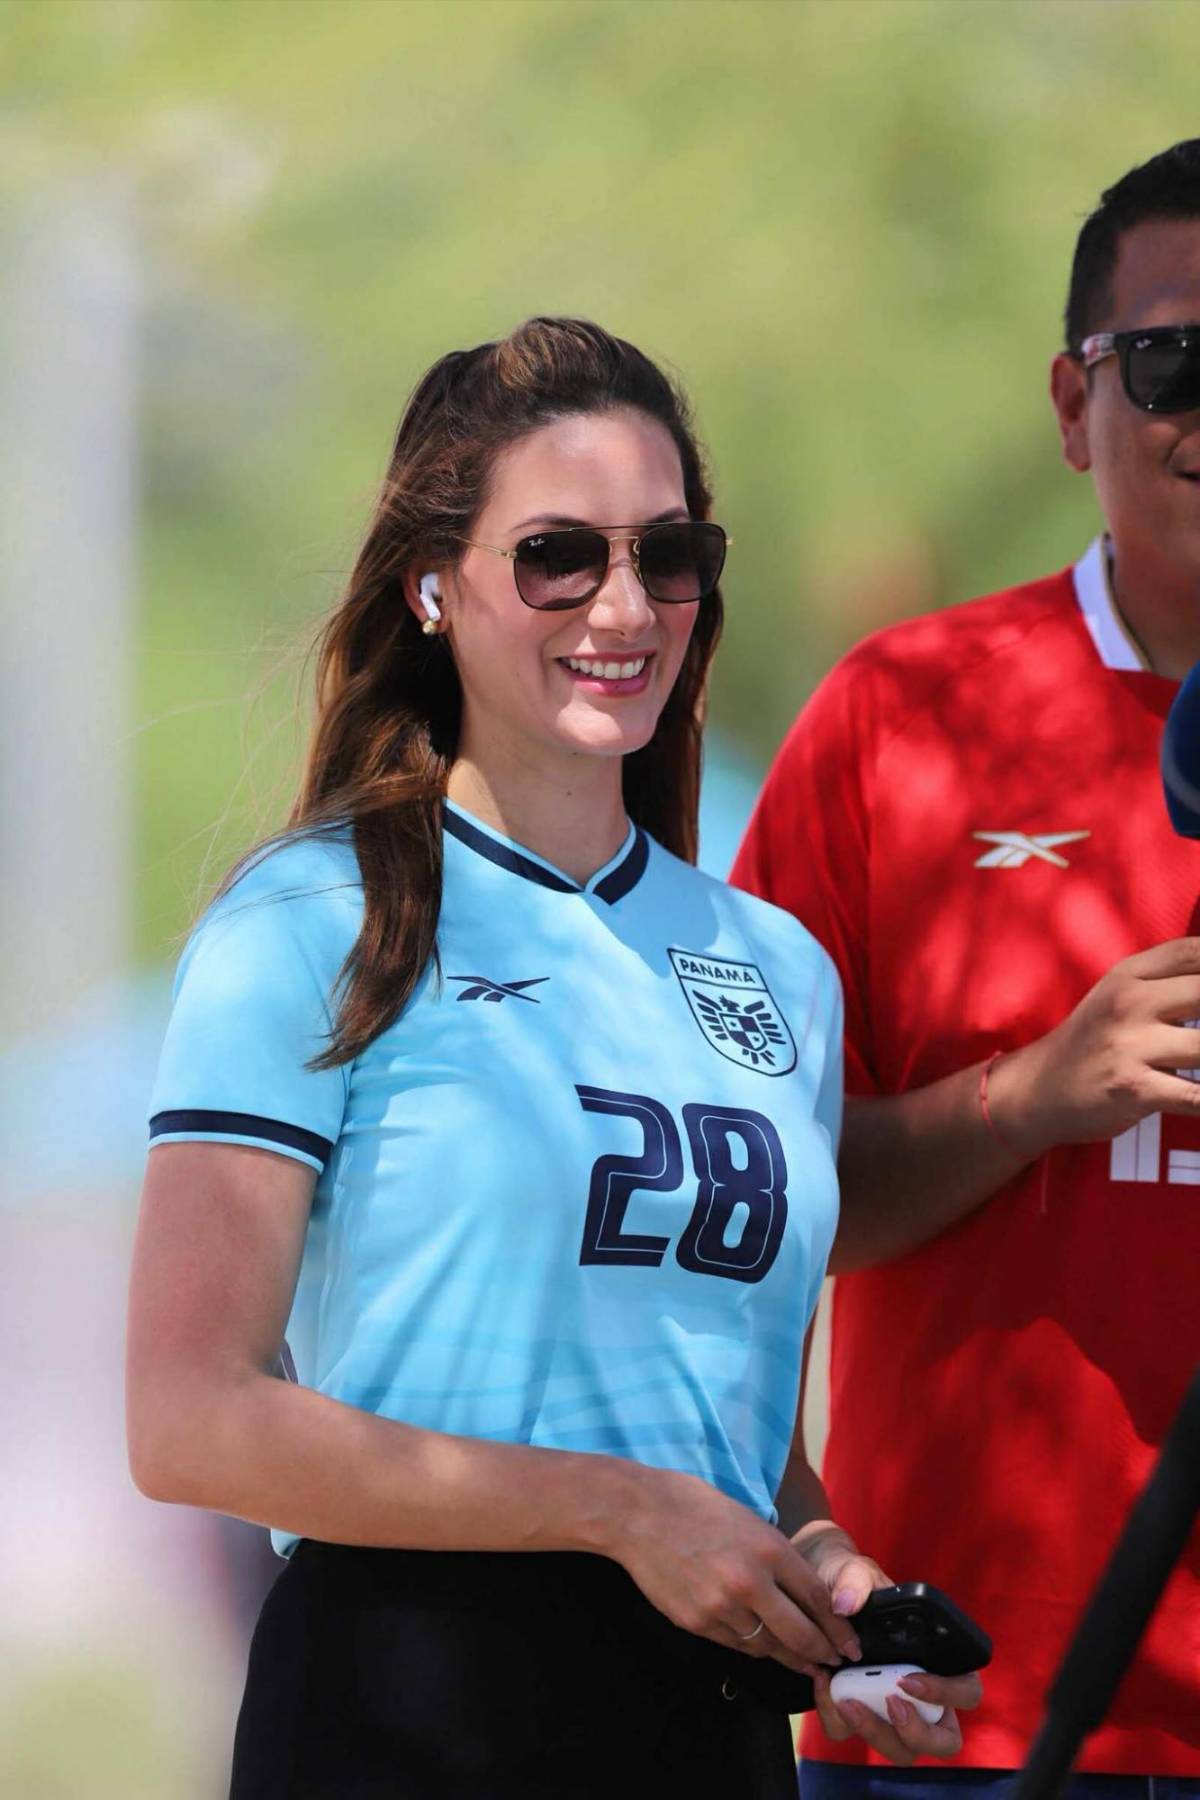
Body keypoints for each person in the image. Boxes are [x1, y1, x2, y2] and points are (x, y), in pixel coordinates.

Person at [125, 318, 979, 1799]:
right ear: (436, 584)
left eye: (671, 553)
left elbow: (704, 1409)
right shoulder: (310, 920)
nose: (624, 603)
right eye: (559, 555)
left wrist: (828, 1587)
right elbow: (190, 1418)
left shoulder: (778, 968)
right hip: (402, 1715)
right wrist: (623, 1516)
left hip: (706, 1733)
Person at [733, 141, 1200, 1795]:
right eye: (1172, 362)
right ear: (1075, 408)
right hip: (962, 1718)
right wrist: (1031, 1098)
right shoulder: (899, 720)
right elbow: (751, 1214)